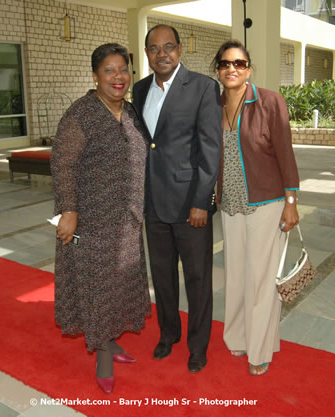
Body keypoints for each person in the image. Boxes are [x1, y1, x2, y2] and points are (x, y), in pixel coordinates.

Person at [51, 43, 151, 394]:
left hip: (127, 219)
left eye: (123, 69)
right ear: (96, 76)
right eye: (109, 70)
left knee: (120, 284)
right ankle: (103, 356)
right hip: (92, 220)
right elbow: (63, 164)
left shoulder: (132, 112)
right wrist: (69, 210)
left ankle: (109, 342)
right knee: (99, 287)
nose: (118, 76)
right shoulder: (81, 114)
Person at [133, 24, 222, 373]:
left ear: (180, 50)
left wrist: (202, 201)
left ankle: (198, 346)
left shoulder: (202, 87)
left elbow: (210, 149)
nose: (162, 54)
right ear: (147, 54)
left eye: (169, 47)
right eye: (154, 49)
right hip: (153, 202)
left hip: (190, 205)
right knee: (163, 274)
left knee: (198, 279)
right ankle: (168, 334)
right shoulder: (140, 90)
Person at [212, 40, 300, 376]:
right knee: (235, 274)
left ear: (249, 68)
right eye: (224, 64)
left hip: (266, 202)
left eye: (239, 63)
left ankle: (260, 348)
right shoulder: (214, 105)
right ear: (218, 70)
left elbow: (285, 153)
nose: (231, 68)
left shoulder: (269, 102)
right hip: (231, 205)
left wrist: (291, 201)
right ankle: (237, 336)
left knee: (261, 280)